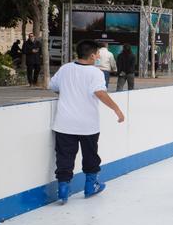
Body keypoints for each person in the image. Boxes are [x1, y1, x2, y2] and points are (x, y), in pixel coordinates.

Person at [49, 39, 126, 204]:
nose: (98, 56)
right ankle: (91, 186)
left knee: (64, 157)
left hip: (64, 123)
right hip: (87, 125)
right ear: (92, 55)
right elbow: (99, 92)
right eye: (97, 53)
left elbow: (53, 86)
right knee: (90, 155)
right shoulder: (95, 73)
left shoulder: (65, 68)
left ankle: (63, 189)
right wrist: (116, 108)